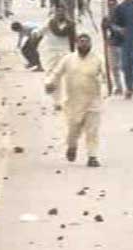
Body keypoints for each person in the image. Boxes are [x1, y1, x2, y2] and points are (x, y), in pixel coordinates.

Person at [45, 34, 103, 168]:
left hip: (93, 100)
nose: (83, 44)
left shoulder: (98, 59)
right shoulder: (68, 59)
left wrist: (107, 89)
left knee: (92, 130)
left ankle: (92, 156)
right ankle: (72, 147)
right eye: (81, 41)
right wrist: (49, 83)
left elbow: (106, 77)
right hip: (73, 102)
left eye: (86, 42)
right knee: (73, 131)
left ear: (90, 44)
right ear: (77, 43)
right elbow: (56, 73)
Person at [38, 7, 76, 110]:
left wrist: (74, 54)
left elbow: (74, 40)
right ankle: (56, 102)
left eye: (62, 12)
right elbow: (38, 33)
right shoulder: (49, 23)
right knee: (53, 77)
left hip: (65, 53)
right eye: (58, 12)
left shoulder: (70, 25)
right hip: (51, 53)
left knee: (65, 77)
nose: (60, 14)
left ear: (65, 13)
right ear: (55, 14)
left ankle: (65, 100)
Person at [102, 0, 124, 95]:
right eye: (110, 5)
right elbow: (104, 32)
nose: (112, 7)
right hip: (112, 44)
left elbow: (125, 31)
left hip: (123, 44)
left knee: (124, 66)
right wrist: (104, 26)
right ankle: (118, 86)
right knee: (114, 67)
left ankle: (129, 85)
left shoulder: (123, 17)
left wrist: (114, 26)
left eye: (113, 5)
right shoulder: (107, 18)